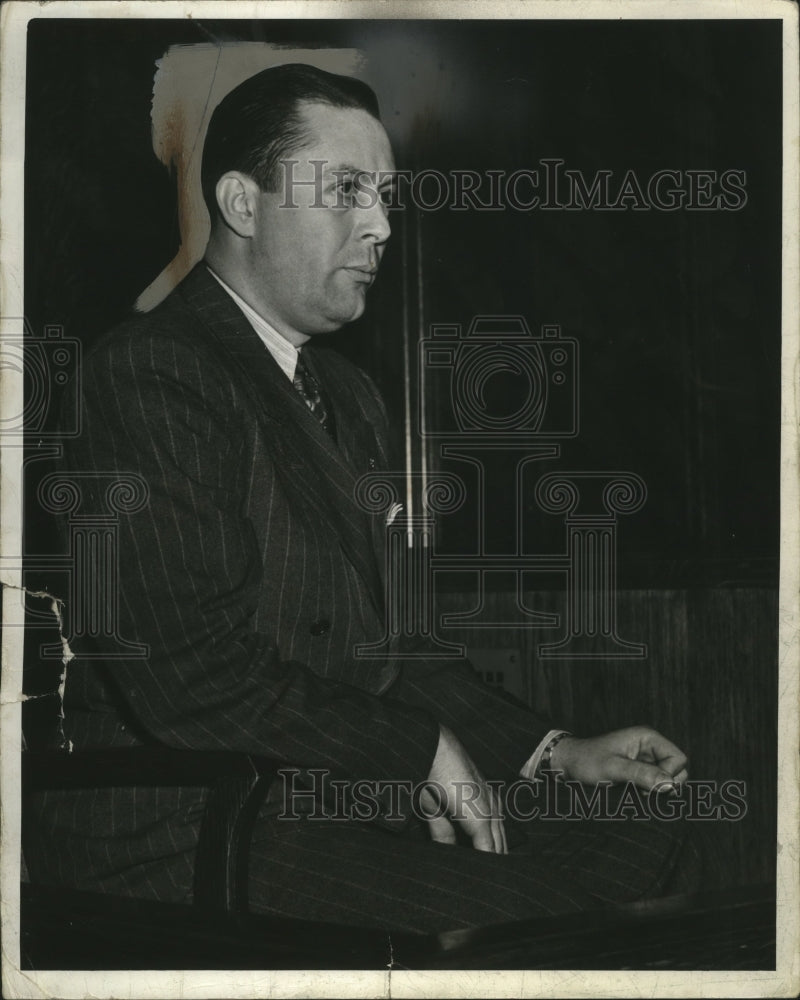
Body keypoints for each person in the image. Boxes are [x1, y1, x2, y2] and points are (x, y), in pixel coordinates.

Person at [26, 63, 696, 933]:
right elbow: (192, 678)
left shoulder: (350, 396)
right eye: (346, 190)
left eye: (383, 194)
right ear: (241, 203)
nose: (380, 223)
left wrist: (556, 754)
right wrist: (414, 751)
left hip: (337, 790)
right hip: (194, 821)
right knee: (542, 923)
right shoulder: (153, 373)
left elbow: (393, 650)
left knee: (641, 824)